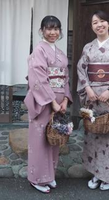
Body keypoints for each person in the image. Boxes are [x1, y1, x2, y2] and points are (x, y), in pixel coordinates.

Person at [24, 15, 72, 193]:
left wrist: (66, 99)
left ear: (60, 31)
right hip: (43, 100)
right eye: (49, 28)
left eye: (56, 29)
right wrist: (52, 101)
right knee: (39, 139)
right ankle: (36, 178)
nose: (53, 32)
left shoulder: (60, 53)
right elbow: (38, 78)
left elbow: (65, 78)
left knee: (53, 138)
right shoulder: (39, 50)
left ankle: (49, 176)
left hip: (59, 100)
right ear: (42, 30)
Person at [77, 10, 109, 191]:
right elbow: (81, 69)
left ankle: (108, 176)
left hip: (108, 99)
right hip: (93, 98)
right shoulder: (88, 47)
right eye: (95, 22)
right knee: (93, 134)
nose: (99, 25)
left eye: (103, 21)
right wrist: (87, 89)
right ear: (92, 26)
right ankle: (97, 174)